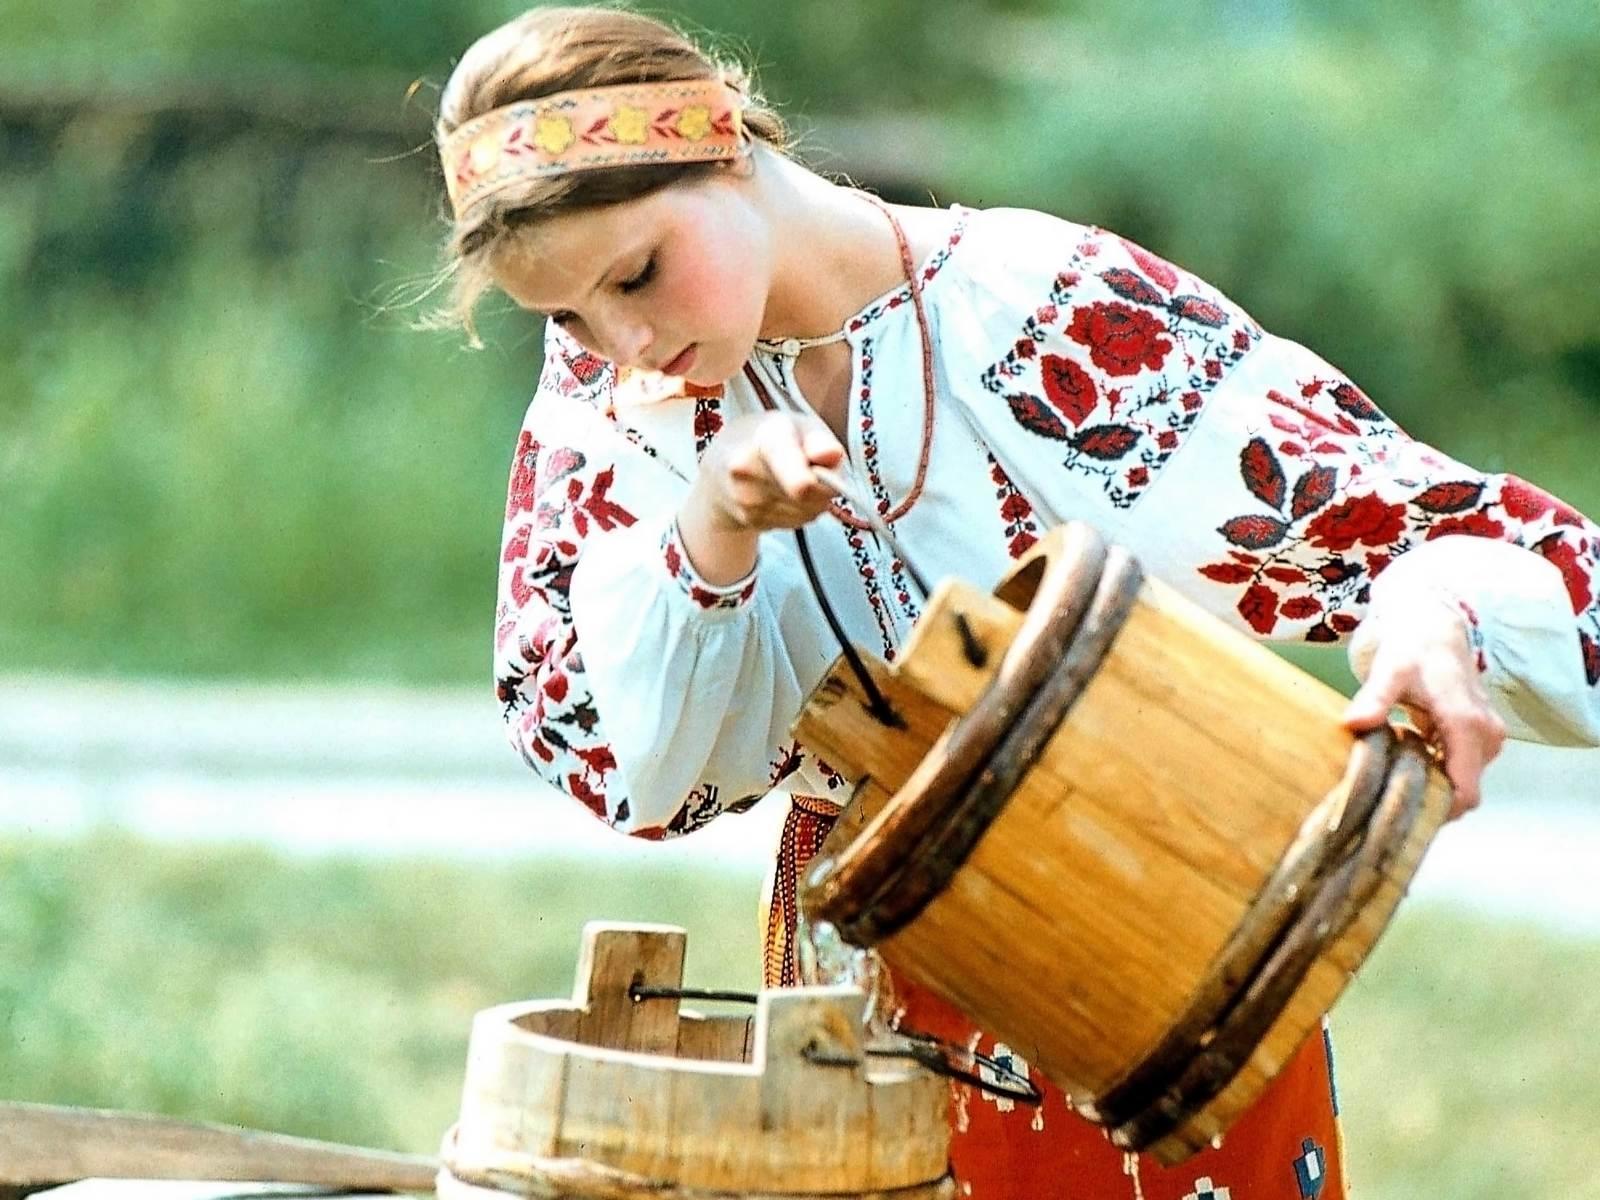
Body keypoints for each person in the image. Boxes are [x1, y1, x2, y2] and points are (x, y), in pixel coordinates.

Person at [432, 7, 1600, 1198]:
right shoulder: (611, 408)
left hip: (1164, 943)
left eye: (637, 272)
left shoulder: (1036, 307)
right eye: (567, 315)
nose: (625, 338)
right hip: (860, 1005)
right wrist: (712, 528)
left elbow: (1422, 527)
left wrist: (1430, 616)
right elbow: (630, 766)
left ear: (727, 144)